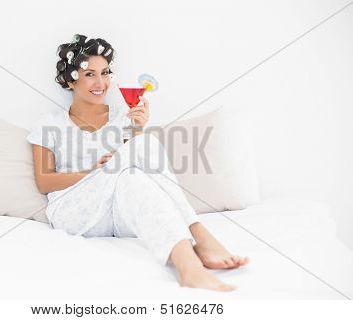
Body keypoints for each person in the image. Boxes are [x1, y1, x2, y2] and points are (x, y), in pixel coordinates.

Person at [26, 34, 249, 292]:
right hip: (74, 210)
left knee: (135, 169)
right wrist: (96, 171)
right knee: (135, 155)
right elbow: (44, 182)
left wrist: (137, 129)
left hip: (120, 213)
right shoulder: (49, 123)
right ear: (70, 80)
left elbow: (139, 168)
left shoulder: (123, 118)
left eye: (106, 72)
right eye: (90, 74)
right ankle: (198, 232)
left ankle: (189, 267)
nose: (101, 83)